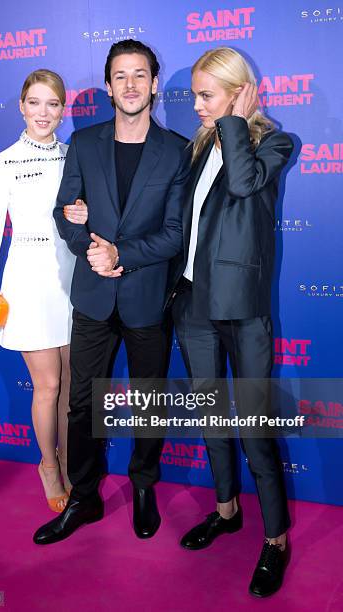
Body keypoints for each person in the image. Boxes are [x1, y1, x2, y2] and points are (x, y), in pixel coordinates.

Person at [33, 39, 189, 545]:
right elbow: (65, 212)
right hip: (94, 298)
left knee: (148, 400)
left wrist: (120, 254)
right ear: (108, 86)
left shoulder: (176, 151)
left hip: (146, 297)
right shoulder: (84, 143)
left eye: (139, 74)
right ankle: (84, 495)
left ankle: (143, 486)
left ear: (154, 84)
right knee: (82, 403)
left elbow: (175, 233)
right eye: (120, 75)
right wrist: (89, 247)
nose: (130, 84)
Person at [168, 47, 293, 597]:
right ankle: (226, 510)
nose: (195, 105)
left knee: (256, 428)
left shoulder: (273, 143)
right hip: (193, 305)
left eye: (206, 95)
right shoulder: (199, 149)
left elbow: (244, 186)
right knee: (210, 415)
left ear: (238, 93)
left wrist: (235, 123)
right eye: (196, 94)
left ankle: (276, 541)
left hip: (242, 311)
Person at [0, 69, 87, 513]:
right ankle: (48, 467)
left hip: (73, 278)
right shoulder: (4, 162)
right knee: (48, 384)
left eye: (53, 104)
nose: (44, 112)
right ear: (21, 106)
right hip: (28, 280)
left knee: (74, 383)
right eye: (35, 102)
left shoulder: (73, 155)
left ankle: (73, 461)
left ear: (62, 109)